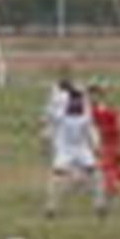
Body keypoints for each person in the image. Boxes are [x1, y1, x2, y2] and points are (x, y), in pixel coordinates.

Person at [46, 88, 108, 219]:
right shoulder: (60, 112)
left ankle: (100, 206)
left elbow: (91, 129)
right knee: (57, 177)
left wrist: (96, 145)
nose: (76, 103)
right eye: (74, 100)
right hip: (65, 149)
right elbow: (50, 114)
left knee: (97, 174)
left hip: (82, 148)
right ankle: (51, 207)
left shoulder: (86, 112)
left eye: (79, 100)